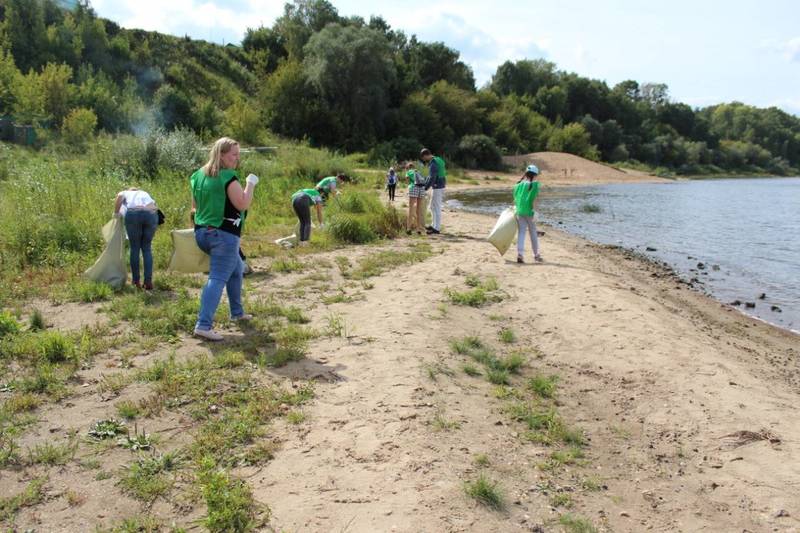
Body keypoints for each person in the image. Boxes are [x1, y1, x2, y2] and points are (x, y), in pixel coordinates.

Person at [190, 137, 259, 341]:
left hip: (202, 233)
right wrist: (250, 183)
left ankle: (237, 313)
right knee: (217, 278)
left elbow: (194, 207)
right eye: (234, 155)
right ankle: (203, 325)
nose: (237, 159)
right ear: (221, 155)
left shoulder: (197, 175)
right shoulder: (228, 177)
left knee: (236, 269)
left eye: (238, 155)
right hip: (223, 235)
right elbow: (242, 203)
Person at [114, 187, 159, 290]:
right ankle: (148, 282)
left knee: (135, 248)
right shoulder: (145, 193)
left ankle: (136, 281)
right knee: (147, 248)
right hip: (151, 214)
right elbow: (154, 205)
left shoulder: (125, 192)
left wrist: (115, 214)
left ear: (130, 190)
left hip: (134, 214)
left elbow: (119, 197)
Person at [514, 164, 543, 264]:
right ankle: (536, 255)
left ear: (526, 174)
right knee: (533, 233)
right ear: (535, 175)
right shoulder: (535, 185)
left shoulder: (518, 185)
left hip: (519, 212)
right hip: (530, 212)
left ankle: (520, 254)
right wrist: (536, 212)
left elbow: (515, 200)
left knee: (521, 232)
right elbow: (534, 200)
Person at [420, 148, 446, 234]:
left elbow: (432, 177)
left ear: (426, 155)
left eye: (424, 159)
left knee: (437, 207)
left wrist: (425, 188)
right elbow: (430, 176)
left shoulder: (433, 163)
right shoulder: (438, 159)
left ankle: (437, 228)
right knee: (432, 206)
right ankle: (433, 225)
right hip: (440, 185)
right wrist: (424, 183)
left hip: (438, 186)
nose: (424, 160)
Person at [405, 162, 426, 235]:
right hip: (422, 188)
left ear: (407, 168)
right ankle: (418, 229)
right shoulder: (418, 171)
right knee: (419, 209)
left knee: (411, 209)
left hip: (413, 188)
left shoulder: (408, 172)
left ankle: (408, 228)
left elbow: (407, 181)